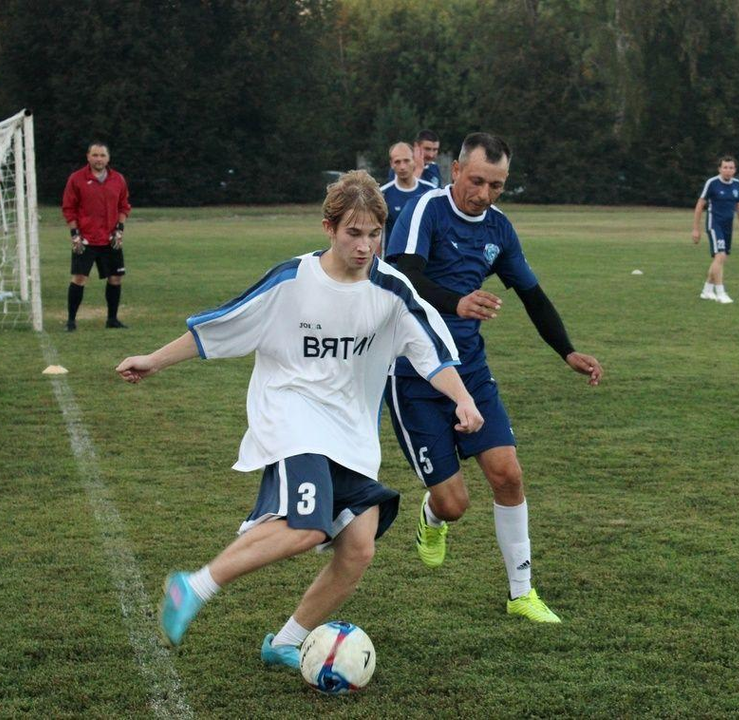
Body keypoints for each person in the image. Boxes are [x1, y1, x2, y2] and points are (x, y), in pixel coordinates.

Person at [115, 171, 483, 668]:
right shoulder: (292, 281)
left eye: (375, 234)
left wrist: (462, 399)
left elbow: (432, 354)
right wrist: (153, 360)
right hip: (291, 416)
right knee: (307, 526)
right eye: (354, 233)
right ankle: (193, 586)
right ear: (328, 227)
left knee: (358, 547)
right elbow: (222, 325)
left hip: (349, 433)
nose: (365, 245)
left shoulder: (392, 290)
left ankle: (285, 641)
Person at [384, 132, 603, 623]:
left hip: (472, 371)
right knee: (455, 503)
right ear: (456, 170)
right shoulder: (427, 210)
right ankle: (434, 515)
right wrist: (456, 302)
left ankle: (522, 592)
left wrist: (566, 350)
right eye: (477, 180)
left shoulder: (500, 230)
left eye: (497, 185)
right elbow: (403, 275)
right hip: (414, 374)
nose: (483, 193)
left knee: (507, 474)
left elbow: (532, 294)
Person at [61, 141, 131, 331]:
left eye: (102, 155)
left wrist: (119, 229)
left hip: (110, 239)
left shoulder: (118, 179)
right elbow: (69, 208)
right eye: (95, 155)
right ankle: (71, 321)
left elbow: (123, 206)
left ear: (108, 158)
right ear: (88, 157)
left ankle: (112, 319)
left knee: (115, 277)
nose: (98, 159)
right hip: (86, 239)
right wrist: (75, 234)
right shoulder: (76, 179)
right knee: (79, 278)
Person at [692, 156, 739, 303]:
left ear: (735, 170)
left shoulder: (737, 184)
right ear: (719, 169)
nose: (728, 170)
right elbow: (699, 205)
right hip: (714, 224)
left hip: (727, 226)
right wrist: (696, 229)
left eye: (731, 168)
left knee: (721, 258)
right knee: (720, 256)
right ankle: (720, 292)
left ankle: (707, 290)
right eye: (725, 167)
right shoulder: (712, 183)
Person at [380, 142, 435, 254]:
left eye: (406, 160)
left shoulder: (430, 191)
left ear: (414, 160)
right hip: (393, 261)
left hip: (425, 259)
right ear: (391, 164)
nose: (402, 167)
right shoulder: (383, 194)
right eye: (397, 162)